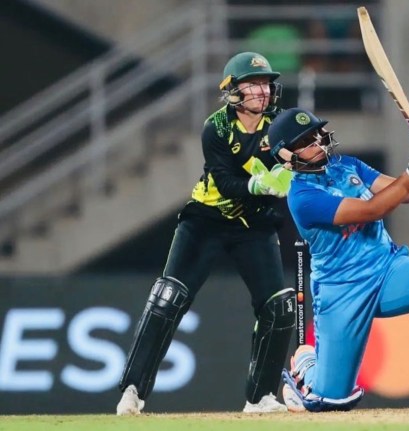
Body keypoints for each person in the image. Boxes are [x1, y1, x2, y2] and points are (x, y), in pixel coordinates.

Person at [116, 52, 296, 415]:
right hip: (206, 220)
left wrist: (291, 168)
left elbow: (307, 155)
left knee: (278, 306)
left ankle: (260, 397)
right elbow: (225, 182)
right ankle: (133, 391)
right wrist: (259, 185)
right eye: (253, 84)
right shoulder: (216, 127)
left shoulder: (279, 124)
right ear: (234, 90)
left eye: (265, 84)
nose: (263, 91)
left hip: (254, 224)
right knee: (168, 298)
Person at [268, 107, 409, 412]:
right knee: (332, 400)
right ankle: (306, 369)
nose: (317, 142)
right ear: (286, 155)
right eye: (305, 141)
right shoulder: (302, 197)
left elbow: (404, 193)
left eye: (316, 134)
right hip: (342, 291)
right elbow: (372, 210)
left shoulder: (347, 165)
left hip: (388, 269)